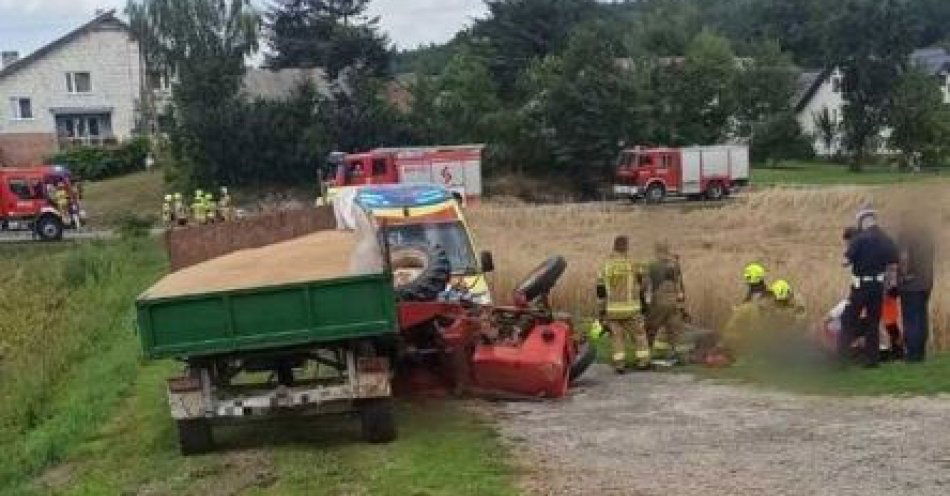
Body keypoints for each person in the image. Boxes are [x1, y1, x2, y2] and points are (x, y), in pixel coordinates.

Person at [840, 207, 899, 368]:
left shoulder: (859, 239)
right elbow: (893, 263)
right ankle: (872, 360)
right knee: (873, 323)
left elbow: (845, 262)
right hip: (878, 287)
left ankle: (841, 358)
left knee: (848, 320)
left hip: (860, 287)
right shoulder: (886, 238)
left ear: (862, 221)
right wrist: (891, 284)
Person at [597, 235, 650, 373]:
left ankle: (620, 364)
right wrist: (642, 300)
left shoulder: (606, 266)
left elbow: (600, 290)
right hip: (631, 309)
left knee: (617, 337)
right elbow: (643, 283)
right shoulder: (633, 264)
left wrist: (601, 311)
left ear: (614, 246)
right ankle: (643, 362)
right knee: (639, 335)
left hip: (612, 310)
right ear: (626, 247)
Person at [898, 210, 935, 362]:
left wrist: (903, 275)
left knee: (911, 319)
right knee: (921, 317)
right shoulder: (927, 235)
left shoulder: (906, 234)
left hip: (911, 284)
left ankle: (912, 355)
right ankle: (921, 352)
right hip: (926, 282)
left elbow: (904, 257)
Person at [645, 242, 687, 363]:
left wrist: (645, 304)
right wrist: (682, 302)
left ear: (656, 251)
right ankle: (673, 353)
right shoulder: (675, 265)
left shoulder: (652, 265)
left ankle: (647, 353)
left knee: (651, 327)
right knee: (673, 329)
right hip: (674, 300)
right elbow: (680, 284)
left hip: (658, 300)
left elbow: (647, 285)